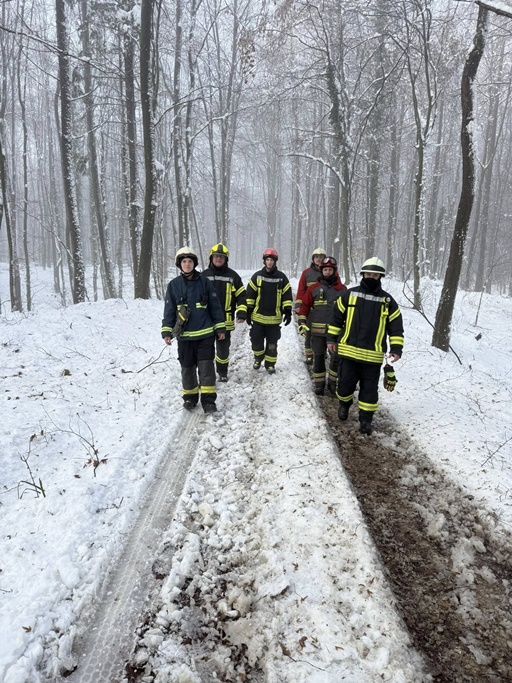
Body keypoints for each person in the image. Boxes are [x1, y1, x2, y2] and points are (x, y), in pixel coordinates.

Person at [327, 257, 404, 435]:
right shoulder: (349, 295)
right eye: (368, 274)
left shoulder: (388, 301)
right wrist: (331, 339)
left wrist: (396, 349)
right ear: (363, 274)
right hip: (348, 352)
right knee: (344, 385)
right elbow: (336, 318)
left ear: (380, 277)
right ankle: (344, 404)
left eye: (375, 275)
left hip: (373, 356)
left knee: (369, 391)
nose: (371, 277)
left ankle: (366, 420)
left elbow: (396, 328)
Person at [161, 247, 226, 413]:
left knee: (206, 369)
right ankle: (190, 398)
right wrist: (167, 331)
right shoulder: (174, 285)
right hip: (184, 338)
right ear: (179, 264)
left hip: (205, 335)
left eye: (190, 261)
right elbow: (169, 310)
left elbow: (215, 306)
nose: (187, 264)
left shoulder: (205, 283)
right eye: (184, 261)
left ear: (194, 263)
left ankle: (208, 401)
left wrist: (220, 327)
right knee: (187, 368)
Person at [298, 256, 346, 395]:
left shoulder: (342, 290)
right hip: (317, 332)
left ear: (334, 271)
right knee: (318, 357)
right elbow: (305, 306)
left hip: (335, 333)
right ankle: (319, 384)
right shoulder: (313, 289)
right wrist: (302, 322)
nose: (327, 272)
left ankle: (332, 383)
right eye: (325, 270)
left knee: (336, 359)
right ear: (321, 271)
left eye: (330, 270)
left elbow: (349, 311)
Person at [202, 243, 247, 382]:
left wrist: (241, 311)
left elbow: (242, 296)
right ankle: (207, 374)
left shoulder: (233, 276)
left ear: (225, 259)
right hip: (206, 320)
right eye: (216, 256)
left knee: (223, 350)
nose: (218, 259)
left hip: (225, 320)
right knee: (206, 350)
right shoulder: (203, 276)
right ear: (211, 258)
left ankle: (222, 372)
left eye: (221, 257)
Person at [246, 248, 293, 374]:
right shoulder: (257, 276)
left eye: (271, 260)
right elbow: (250, 295)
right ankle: (258, 357)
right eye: (267, 260)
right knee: (256, 341)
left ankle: (270, 364)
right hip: (258, 318)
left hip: (274, 319)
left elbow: (287, 296)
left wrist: (288, 311)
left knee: (272, 344)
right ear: (264, 261)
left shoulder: (282, 278)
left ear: (275, 261)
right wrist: (248, 311)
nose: (269, 262)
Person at [294, 247, 327, 364]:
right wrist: (299, 306)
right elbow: (301, 290)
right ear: (313, 259)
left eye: (321, 257)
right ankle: (309, 355)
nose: (319, 259)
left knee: (323, 333)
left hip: (324, 310)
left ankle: (322, 353)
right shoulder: (306, 273)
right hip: (310, 309)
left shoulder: (329, 271)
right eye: (316, 257)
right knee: (309, 333)